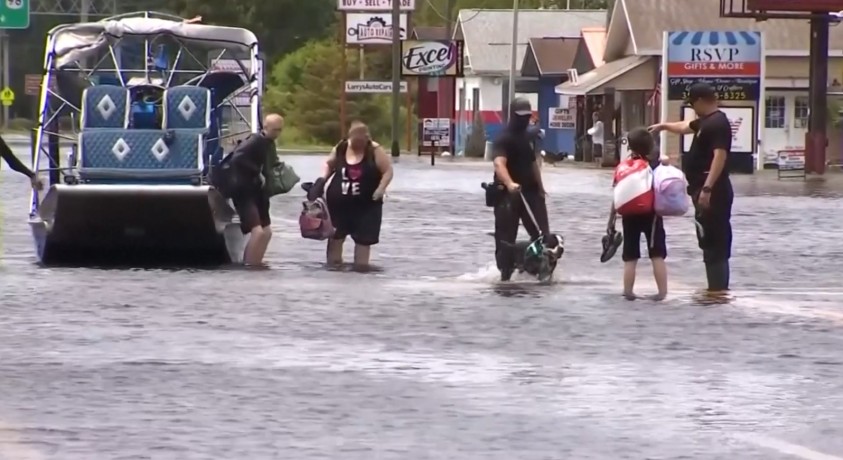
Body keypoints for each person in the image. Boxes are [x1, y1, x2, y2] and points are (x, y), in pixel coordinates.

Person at [649, 82, 733, 293]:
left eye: (693, 104)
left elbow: (719, 157)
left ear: (701, 101)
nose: (693, 108)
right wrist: (663, 126)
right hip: (701, 188)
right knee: (705, 237)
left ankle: (718, 290)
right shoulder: (705, 122)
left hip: (713, 191)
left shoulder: (718, 124)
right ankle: (714, 290)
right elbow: (685, 127)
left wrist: (707, 189)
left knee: (714, 239)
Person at [491, 97, 557, 282]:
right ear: (513, 115)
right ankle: (505, 274)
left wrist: (541, 188)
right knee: (506, 238)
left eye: (527, 116)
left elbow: (532, 163)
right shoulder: (503, 138)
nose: (525, 119)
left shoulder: (527, 137)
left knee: (543, 235)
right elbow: (499, 164)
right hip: (508, 195)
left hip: (531, 192)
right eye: (521, 116)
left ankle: (538, 268)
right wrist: (510, 183)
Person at [314, 121, 393, 267]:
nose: (358, 146)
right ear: (350, 138)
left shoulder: (374, 150)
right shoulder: (341, 147)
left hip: (367, 207)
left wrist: (381, 189)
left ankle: (361, 273)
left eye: (361, 142)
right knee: (336, 239)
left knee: (363, 244)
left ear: (367, 138)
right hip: (338, 206)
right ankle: (333, 270)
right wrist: (321, 182)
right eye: (355, 142)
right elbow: (329, 164)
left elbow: (388, 171)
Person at [607, 128, 668, 301]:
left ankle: (628, 291)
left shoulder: (624, 166)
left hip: (629, 214)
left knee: (630, 255)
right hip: (652, 214)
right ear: (650, 146)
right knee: (657, 253)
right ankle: (662, 292)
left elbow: (617, 194)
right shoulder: (655, 164)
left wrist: (611, 220)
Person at [228, 113, 284, 266]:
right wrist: (256, 171)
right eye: (274, 130)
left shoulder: (269, 143)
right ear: (266, 128)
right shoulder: (255, 140)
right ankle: (249, 266)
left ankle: (257, 263)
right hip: (244, 191)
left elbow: (271, 163)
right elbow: (237, 158)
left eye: (280, 130)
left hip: (259, 191)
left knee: (267, 232)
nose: (277, 133)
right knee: (257, 232)